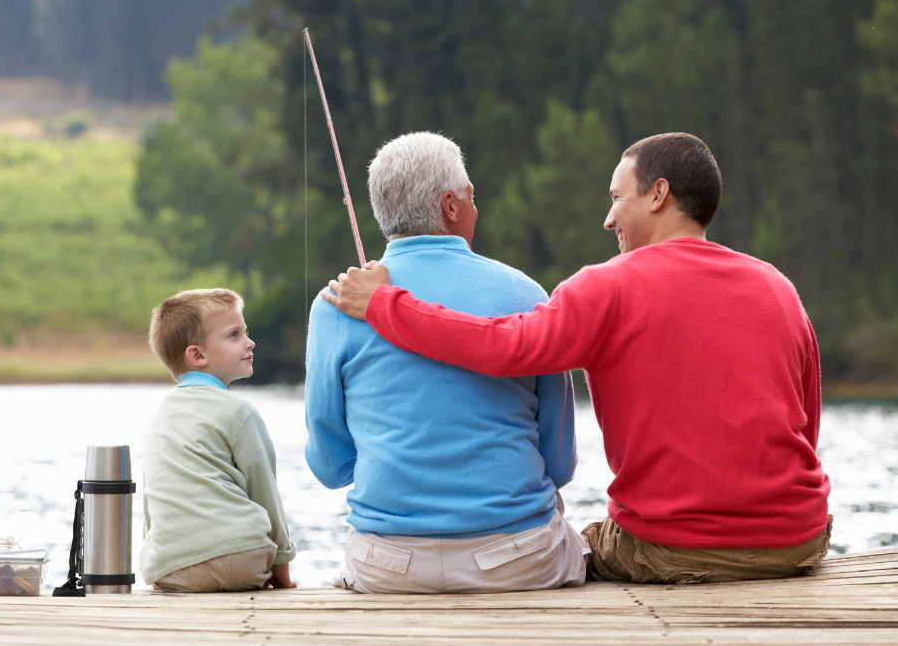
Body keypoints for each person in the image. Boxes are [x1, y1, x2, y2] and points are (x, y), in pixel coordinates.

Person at [322, 132, 832, 585]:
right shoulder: (777, 286)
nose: (609, 217)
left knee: (588, 544)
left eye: (616, 198)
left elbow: (508, 347)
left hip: (672, 550)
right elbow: (805, 424)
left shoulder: (609, 286)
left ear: (658, 195)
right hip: (797, 542)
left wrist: (386, 305)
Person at [305, 132, 589, 594]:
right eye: (472, 197)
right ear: (451, 207)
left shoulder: (334, 306)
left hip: (389, 566)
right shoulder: (526, 295)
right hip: (516, 560)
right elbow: (560, 464)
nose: (476, 208)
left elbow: (330, 467)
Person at [140, 288, 297, 592]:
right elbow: (264, 491)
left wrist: (155, 561)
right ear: (197, 355)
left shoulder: (158, 415)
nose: (250, 342)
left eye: (245, 332)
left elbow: (153, 496)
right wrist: (282, 570)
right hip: (241, 560)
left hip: (170, 568)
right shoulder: (240, 411)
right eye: (234, 335)